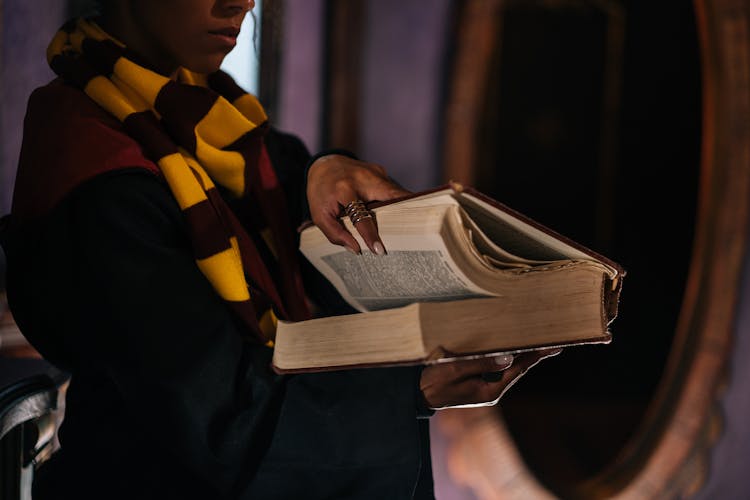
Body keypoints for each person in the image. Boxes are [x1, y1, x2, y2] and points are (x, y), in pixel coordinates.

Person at [0, 1, 561, 498]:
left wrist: (326, 168)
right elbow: (222, 422)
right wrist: (410, 391)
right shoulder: (99, 176)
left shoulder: (212, 125)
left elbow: (286, 188)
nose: (240, 3)